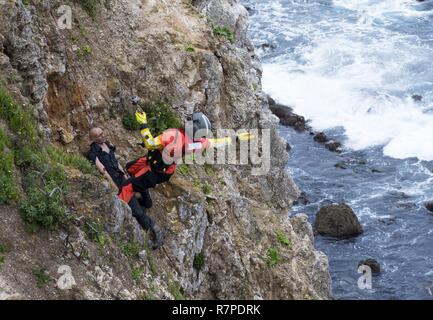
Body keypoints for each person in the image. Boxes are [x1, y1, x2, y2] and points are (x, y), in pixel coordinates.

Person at [87, 127, 166, 249]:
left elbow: (115, 161)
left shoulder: (107, 144)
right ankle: (155, 229)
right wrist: (113, 184)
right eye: (99, 135)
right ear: (93, 138)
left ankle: (154, 225)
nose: (103, 136)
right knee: (134, 208)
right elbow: (102, 169)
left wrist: (124, 173)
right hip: (115, 181)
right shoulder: (93, 152)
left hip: (122, 178)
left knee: (138, 202)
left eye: (103, 133)